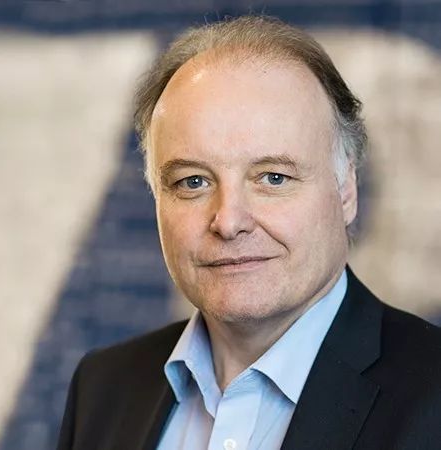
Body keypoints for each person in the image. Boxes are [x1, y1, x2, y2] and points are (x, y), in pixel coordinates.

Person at [57, 15, 441, 450]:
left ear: (346, 190)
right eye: (193, 182)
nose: (228, 221)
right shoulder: (103, 388)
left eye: (273, 178)